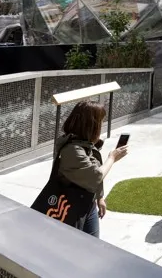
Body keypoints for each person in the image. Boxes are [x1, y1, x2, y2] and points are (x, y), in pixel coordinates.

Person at [54, 101, 128, 237]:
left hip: (88, 204)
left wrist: (99, 198)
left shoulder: (85, 144)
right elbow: (95, 176)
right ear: (90, 126)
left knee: (93, 248)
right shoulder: (72, 149)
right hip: (69, 207)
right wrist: (112, 158)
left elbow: (93, 171)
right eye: (99, 123)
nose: (101, 127)